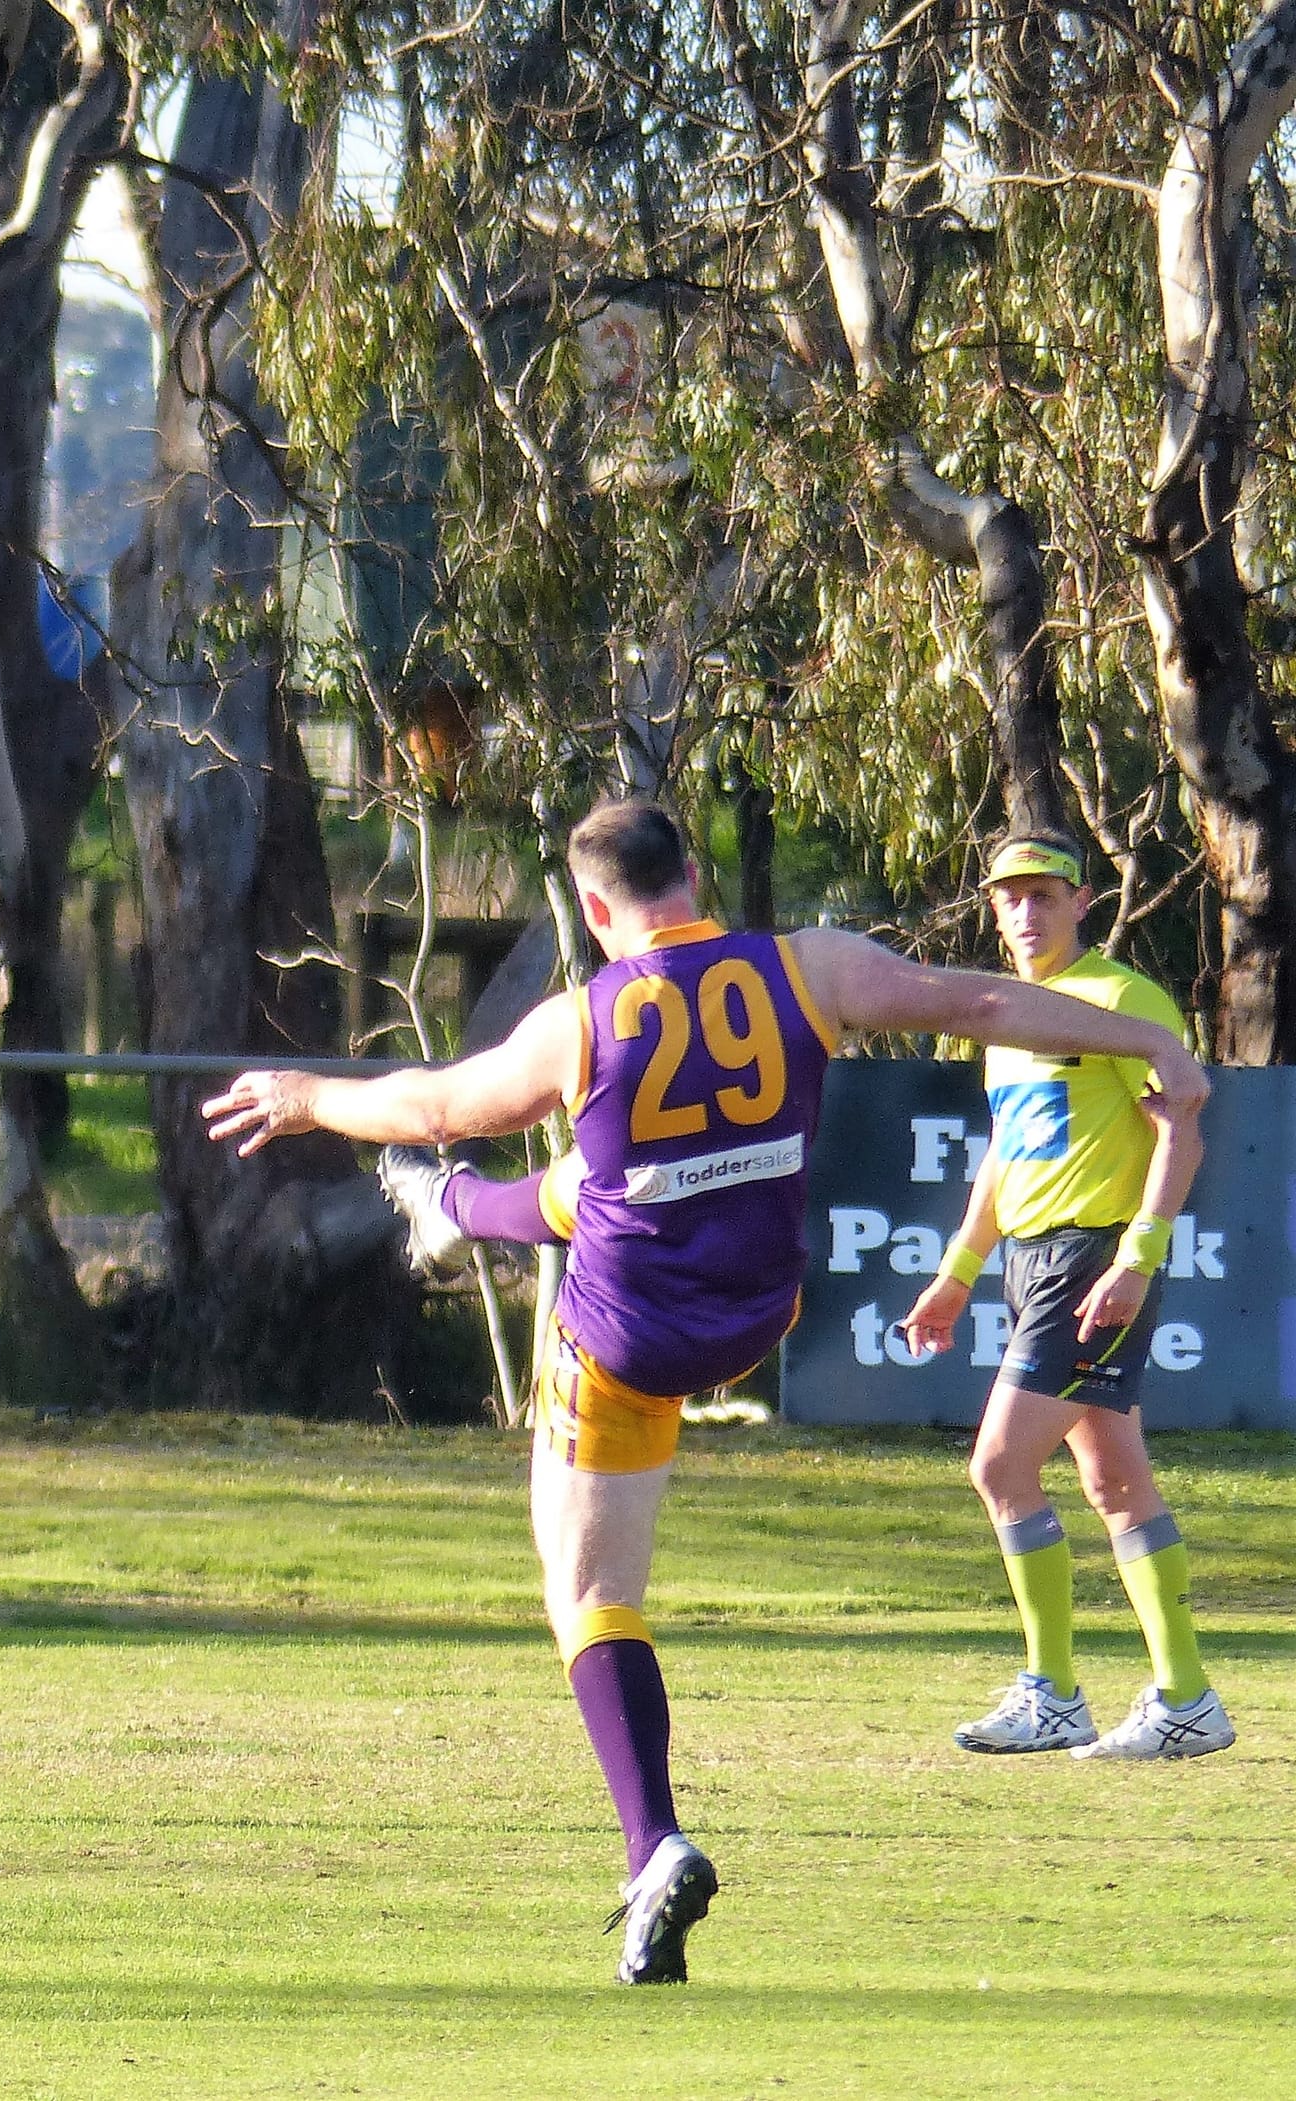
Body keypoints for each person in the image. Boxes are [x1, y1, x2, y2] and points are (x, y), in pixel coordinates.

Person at [202, 798, 1208, 1986]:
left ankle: (652, 1842)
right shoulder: (808, 967)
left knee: (587, 1593)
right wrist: (1143, 1042)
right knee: (594, 1176)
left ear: (590, 908)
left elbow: (427, 1105)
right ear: (696, 873)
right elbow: (975, 1000)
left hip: (626, 1337)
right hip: (754, 1309)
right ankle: (462, 1208)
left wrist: (307, 1096)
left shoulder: (575, 1019)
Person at [902, 833, 1232, 1759]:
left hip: (1091, 1257)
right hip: (1034, 1259)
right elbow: (1006, 1155)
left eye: (1044, 894)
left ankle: (1054, 1693)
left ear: (1081, 900)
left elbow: (1184, 1135)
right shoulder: (1013, 1018)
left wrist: (1139, 1256)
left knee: (999, 1466)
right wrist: (958, 1272)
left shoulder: (1124, 1002)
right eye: (1010, 897)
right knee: (1112, 1477)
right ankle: (1186, 1697)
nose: (1025, 912)